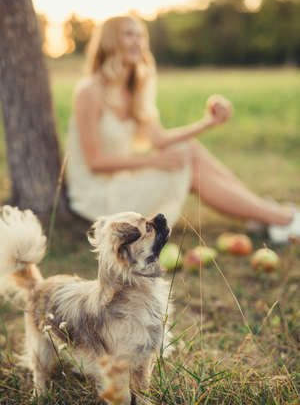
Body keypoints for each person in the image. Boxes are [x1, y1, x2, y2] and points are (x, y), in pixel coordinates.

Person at [67, 15, 300, 244]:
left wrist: (208, 122)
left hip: (122, 181)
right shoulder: (90, 90)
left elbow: (159, 139)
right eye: (129, 34)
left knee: (187, 149)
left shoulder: (132, 90)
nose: (138, 41)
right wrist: (153, 162)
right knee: (184, 161)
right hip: (96, 196)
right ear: (110, 41)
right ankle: (279, 218)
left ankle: (267, 215)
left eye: (141, 35)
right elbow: (95, 161)